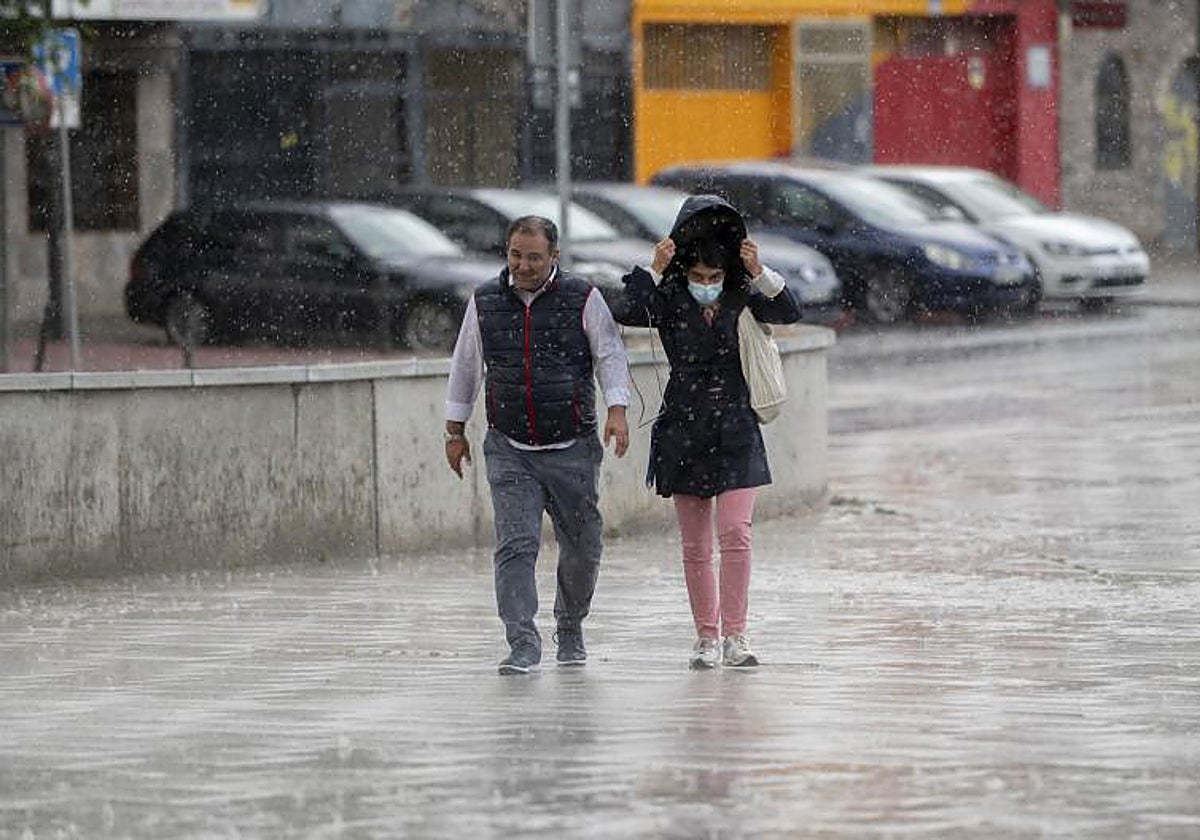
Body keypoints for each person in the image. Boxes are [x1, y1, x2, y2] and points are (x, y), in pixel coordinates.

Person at [611, 195, 801, 669]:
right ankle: (706, 637)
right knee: (696, 544)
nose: (706, 286)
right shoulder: (670, 298)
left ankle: (737, 635)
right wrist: (655, 267)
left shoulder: (743, 295)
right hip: (683, 428)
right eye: (698, 278)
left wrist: (758, 272)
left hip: (737, 426)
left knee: (736, 533)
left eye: (714, 278)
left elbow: (788, 311)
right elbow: (627, 309)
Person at [443, 215, 630, 676]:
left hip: (572, 445)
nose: (522, 266)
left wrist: (617, 409)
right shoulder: (485, 300)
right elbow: (466, 364)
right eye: (514, 255)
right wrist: (455, 429)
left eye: (533, 257)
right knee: (515, 545)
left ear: (554, 257)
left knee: (582, 545)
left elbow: (609, 354)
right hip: (509, 446)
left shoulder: (583, 296)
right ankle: (522, 641)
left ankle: (570, 626)